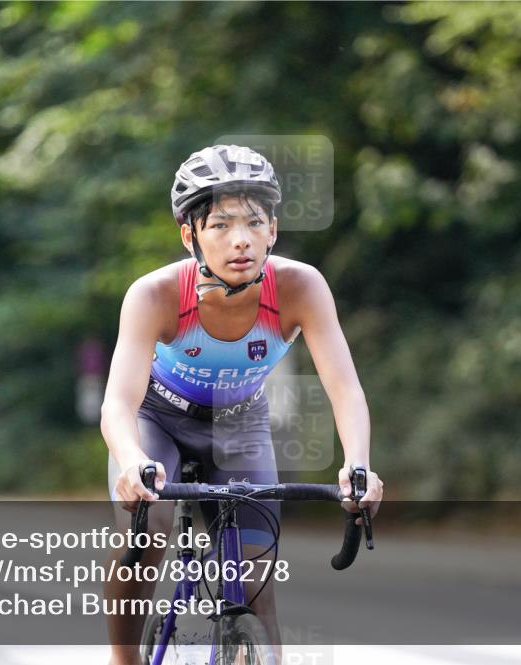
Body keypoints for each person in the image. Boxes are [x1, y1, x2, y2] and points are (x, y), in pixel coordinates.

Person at [101, 144, 383, 665]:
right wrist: (131, 460)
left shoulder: (300, 287)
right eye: (221, 225)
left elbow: (345, 387)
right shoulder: (155, 295)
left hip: (239, 424)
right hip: (155, 419)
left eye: (254, 222)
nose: (241, 240)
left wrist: (358, 463)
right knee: (147, 535)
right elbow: (119, 401)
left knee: (256, 585)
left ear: (273, 230)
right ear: (189, 235)